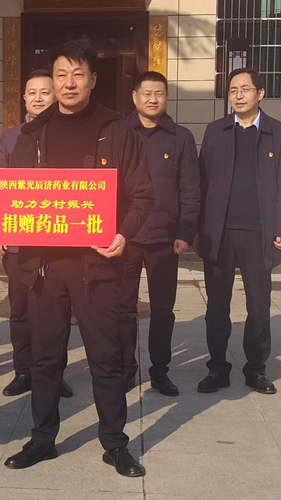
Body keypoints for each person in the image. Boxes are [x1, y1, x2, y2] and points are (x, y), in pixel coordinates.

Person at [0, 39, 154, 477]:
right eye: (61, 75)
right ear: (52, 81)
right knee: (45, 358)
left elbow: (143, 194)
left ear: (93, 80)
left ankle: (115, 443)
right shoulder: (31, 134)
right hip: (44, 267)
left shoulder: (118, 131)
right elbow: (15, 196)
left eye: (78, 74)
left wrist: (124, 233)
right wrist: (1, 225)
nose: (69, 83)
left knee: (105, 357)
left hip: (97, 267)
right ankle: (42, 438)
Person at [195, 68, 281, 395]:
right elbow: (201, 182)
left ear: (260, 93)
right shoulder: (215, 131)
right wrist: (197, 228)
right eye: (233, 90)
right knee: (217, 306)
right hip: (219, 232)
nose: (238, 95)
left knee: (259, 306)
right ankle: (217, 368)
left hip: (259, 233)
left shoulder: (279, 134)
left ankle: (256, 369)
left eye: (245, 89)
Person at [0, 69, 73, 398]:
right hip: (19, 242)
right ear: (23, 99)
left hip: (61, 241)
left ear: (56, 95)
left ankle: (54, 372)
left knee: (58, 313)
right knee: (21, 309)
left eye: (45, 92)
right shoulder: (10, 137)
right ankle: (23, 370)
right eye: (32, 92)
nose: (38, 98)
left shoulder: (70, 134)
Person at [120, 71, 200, 397]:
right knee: (123, 308)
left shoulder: (181, 137)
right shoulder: (118, 133)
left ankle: (160, 371)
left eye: (160, 93)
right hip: (124, 238)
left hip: (165, 238)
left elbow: (190, 188)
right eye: (147, 93)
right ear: (135, 97)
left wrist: (186, 231)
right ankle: (126, 368)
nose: (153, 99)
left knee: (163, 310)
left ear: (166, 97)